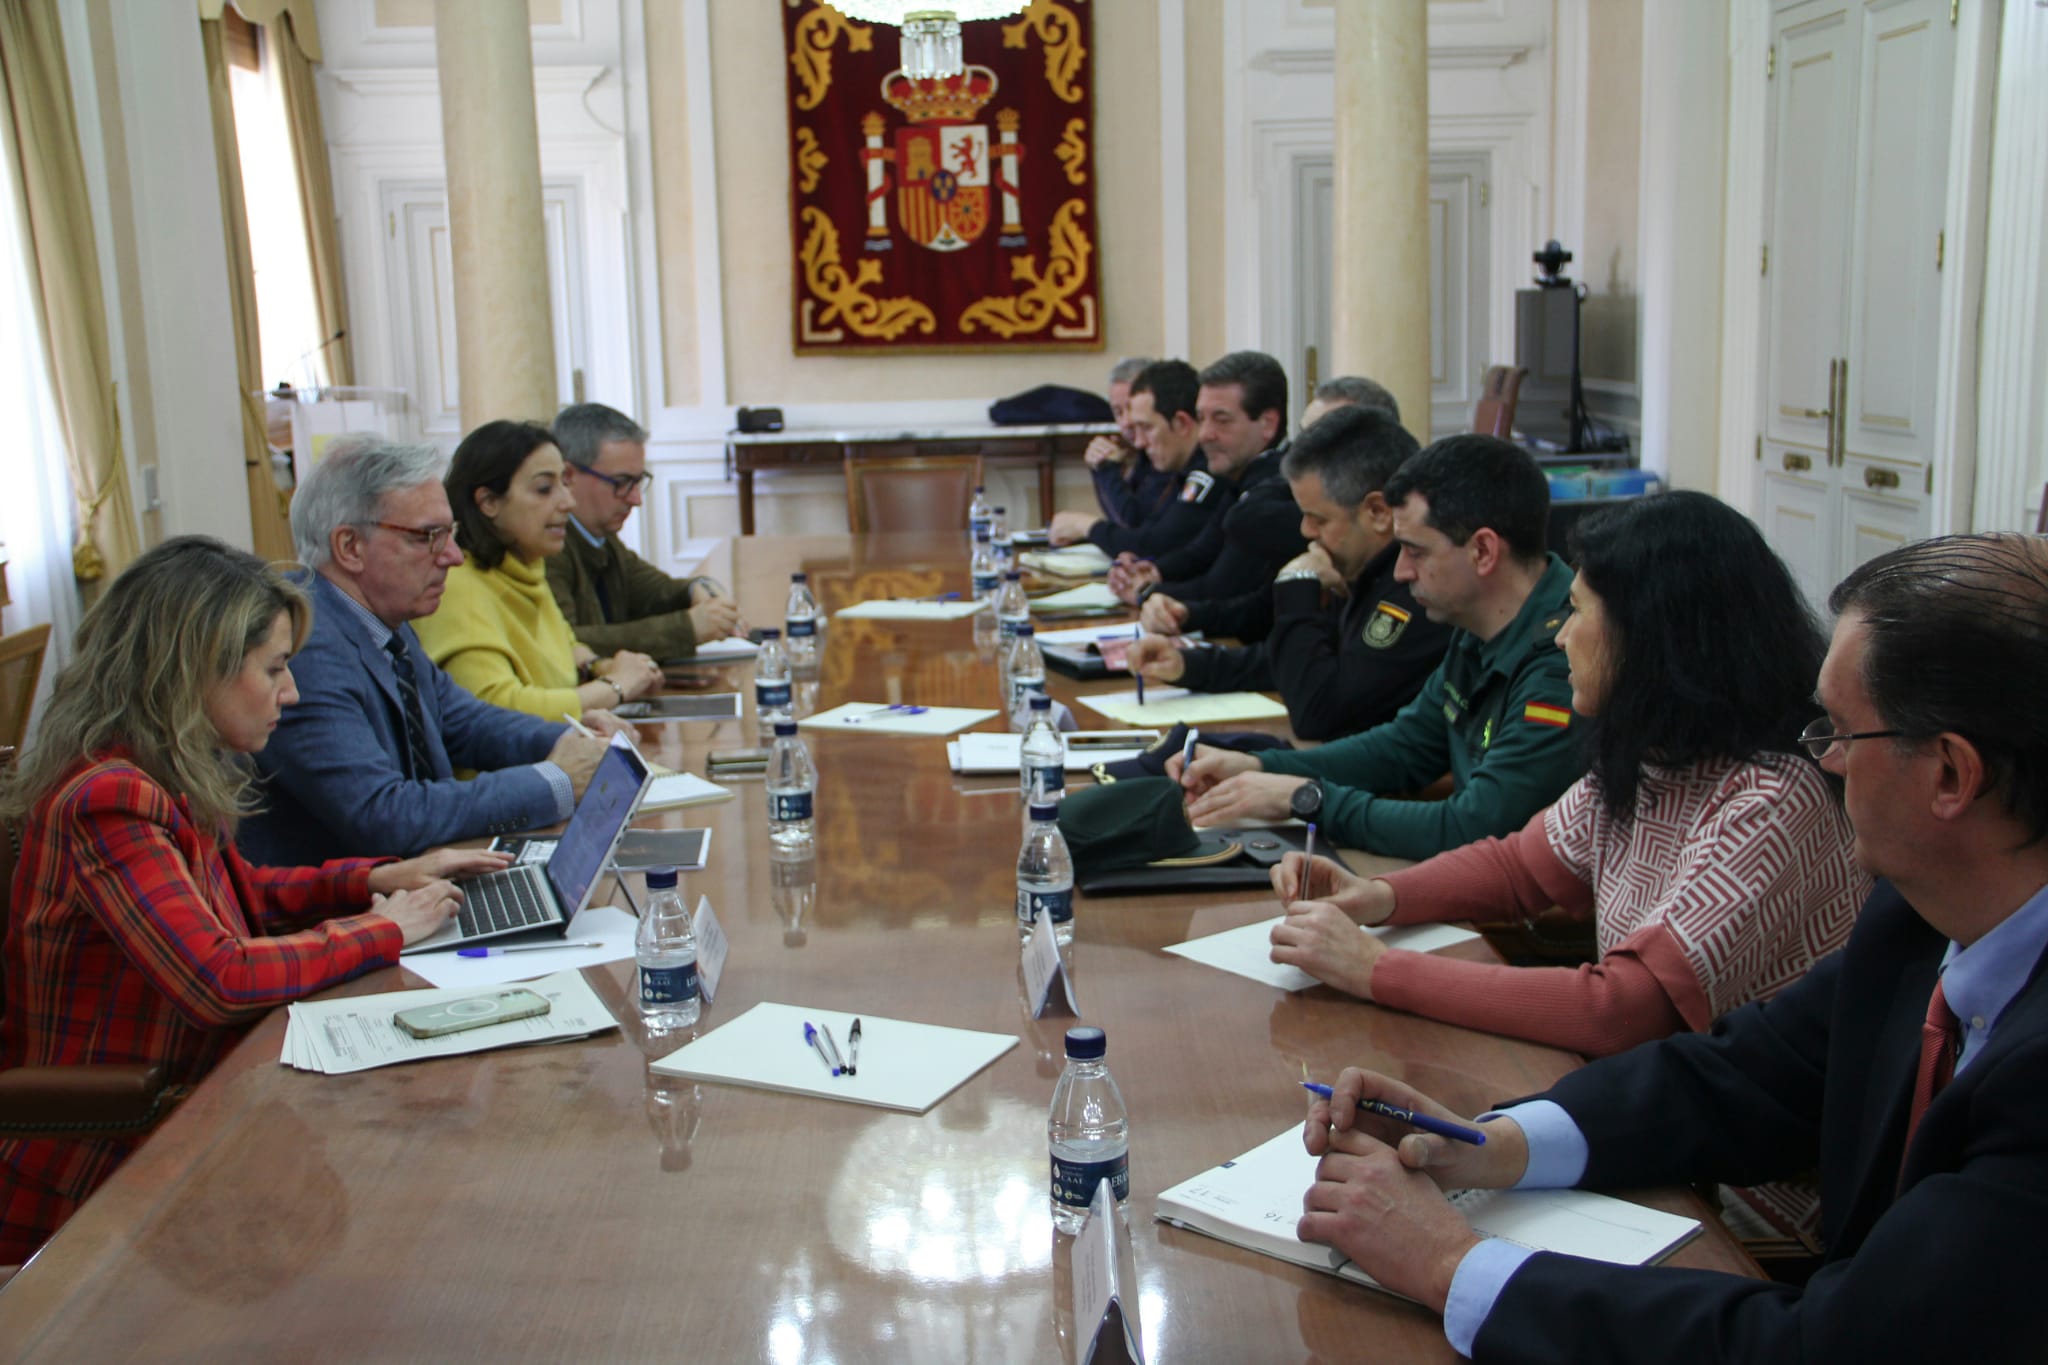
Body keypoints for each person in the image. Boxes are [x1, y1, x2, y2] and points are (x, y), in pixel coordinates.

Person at [1295, 534, 2048, 1361]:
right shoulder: (1915, 920)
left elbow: (1834, 1344)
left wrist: (1451, 1262)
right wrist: (1487, 1145)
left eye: (1840, 730)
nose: (1826, 760)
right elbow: (1745, 1073)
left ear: (1950, 774)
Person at [0, 538, 500, 1263]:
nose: (291, 692)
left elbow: (236, 894)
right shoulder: (108, 797)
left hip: (194, 1112)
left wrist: (376, 878)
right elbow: (220, 977)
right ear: (191, 670)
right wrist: (381, 930)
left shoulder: (161, 765)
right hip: (109, 1161)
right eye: (273, 668)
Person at [1269, 492, 1866, 1054]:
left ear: (1656, 638)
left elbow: (1620, 1010)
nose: (1561, 637)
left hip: (1737, 1152)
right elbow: (1518, 867)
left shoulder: (1772, 799)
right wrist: (1375, 897)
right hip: (1652, 1103)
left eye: (1578, 613)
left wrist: (1375, 968)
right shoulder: (1661, 755)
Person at [1173, 435, 1580, 861]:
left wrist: (1307, 798)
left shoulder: (1562, 658)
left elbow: (1476, 827)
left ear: (1482, 550)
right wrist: (1260, 767)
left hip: (1522, 916)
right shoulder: (1482, 621)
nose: (1401, 572)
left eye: (1415, 551)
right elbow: (1404, 747)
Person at [240, 437, 613, 867]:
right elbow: (384, 814)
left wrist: (572, 739)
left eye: (449, 534)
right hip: (349, 914)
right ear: (350, 547)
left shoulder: (378, 620)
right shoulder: (307, 646)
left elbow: (464, 723)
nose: (453, 556)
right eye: (427, 537)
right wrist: (555, 779)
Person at [1126, 402, 1450, 741]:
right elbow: (1300, 661)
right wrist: (1190, 666)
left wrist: (1297, 583)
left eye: (1318, 519)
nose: (1306, 531)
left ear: (1378, 512)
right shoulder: (1363, 569)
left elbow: (1318, 714)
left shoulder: (1415, 589)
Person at [412, 419, 665, 722]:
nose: (568, 502)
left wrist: (598, 665)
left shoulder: (523, 567)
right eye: (545, 489)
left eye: (565, 484)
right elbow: (499, 709)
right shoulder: (457, 588)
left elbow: (563, 644)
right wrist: (617, 686)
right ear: (489, 501)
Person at [1133, 372, 1401, 643]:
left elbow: (1331, 676)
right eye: (1302, 438)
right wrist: (1186, 618)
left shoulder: (1401, 565)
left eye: (1321, 442)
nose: (1299, 454)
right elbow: (1261, 607)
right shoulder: (1262, 483)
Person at [1098, 351, 1306, 642]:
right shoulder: (1241, 473)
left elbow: (1221, 588)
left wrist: (1146, 592)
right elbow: (1202, 551)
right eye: (1201, 418)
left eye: (1221, 420)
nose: (1205, 434)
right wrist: (1154, 571)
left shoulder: (1276, 489)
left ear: (1268, 424)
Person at [549, 402, 742, 661]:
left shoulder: (601, 539)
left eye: (638, 482)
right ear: (568, 476)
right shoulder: (547, 546)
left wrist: (697, 589)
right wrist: (689, 627)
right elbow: (568, 645)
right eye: (621, 483)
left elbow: (655, 592)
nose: (636, 499)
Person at [1044, 361, 1225, 557]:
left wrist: (1086, 526)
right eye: (1118, 412)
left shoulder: (1209, 470)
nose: (1138, 442)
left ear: (1181, 423)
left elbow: (1152, 541)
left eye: (1146, 427)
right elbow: (1145, 531)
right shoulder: (1171, 459)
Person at [1085, 356, 1177, 529]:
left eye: (1131, 408)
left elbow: (1132, 524)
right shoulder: (1143, 454)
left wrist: (1107, 470)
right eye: (1118, 412)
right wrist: (1100, 466)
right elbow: (1117, 520)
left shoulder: (1167, 453)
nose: (1126, 422)